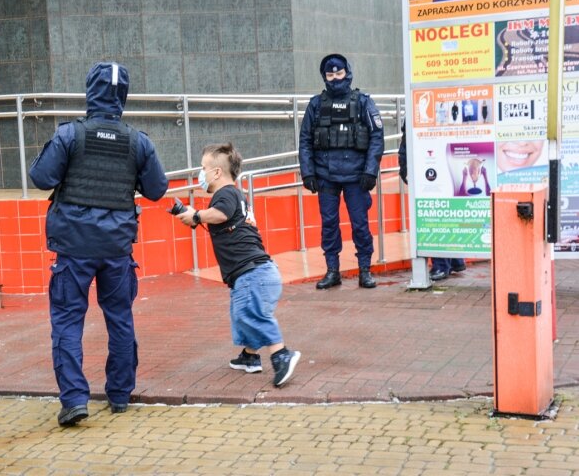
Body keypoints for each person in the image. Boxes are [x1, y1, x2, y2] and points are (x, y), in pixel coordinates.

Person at [29, 62, 168, 427]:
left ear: (90, 90)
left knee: (67, 320)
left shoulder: (69, 135)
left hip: (73, 248)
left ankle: (74, 399)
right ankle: (119, 394)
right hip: (117, 248)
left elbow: (41, 177)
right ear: (123, 96)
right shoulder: (138, 141)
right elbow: (157, 190)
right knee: (120, 318)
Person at [173, 142, 301, 387]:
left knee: (249, 314)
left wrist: (197, 215)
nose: (201, 174)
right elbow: (222, 218)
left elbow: (220, 214)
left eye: (203, 168)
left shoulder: (226, 194)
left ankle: (282, 354)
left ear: (217, 172)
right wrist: (194, 216)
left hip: (252, 272)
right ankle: (250, 357)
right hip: (256, 272)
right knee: (241, 314)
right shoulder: (234, 195)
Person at [299, 53, 384, 290]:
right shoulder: (316, 104)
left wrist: (370, 171)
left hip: (357, 176)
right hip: (326, 176)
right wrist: (308, 173)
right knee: (329, 224)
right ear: (324, 76)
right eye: (330, 74)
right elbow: (305, 140)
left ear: (347, 72)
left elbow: (377, 137)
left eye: (339, 73)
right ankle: (332, 271)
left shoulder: (364, 101)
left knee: (360, 224)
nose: (335, 78)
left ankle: (365, 270)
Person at [397, 121, 465, 282]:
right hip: (435, 168)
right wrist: (405, 169)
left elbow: (405, 145)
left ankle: (442, 264)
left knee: (436, 215)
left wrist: (404, 169)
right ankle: (454, 260)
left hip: (437, 167)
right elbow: (407, 143)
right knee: (442, 212)